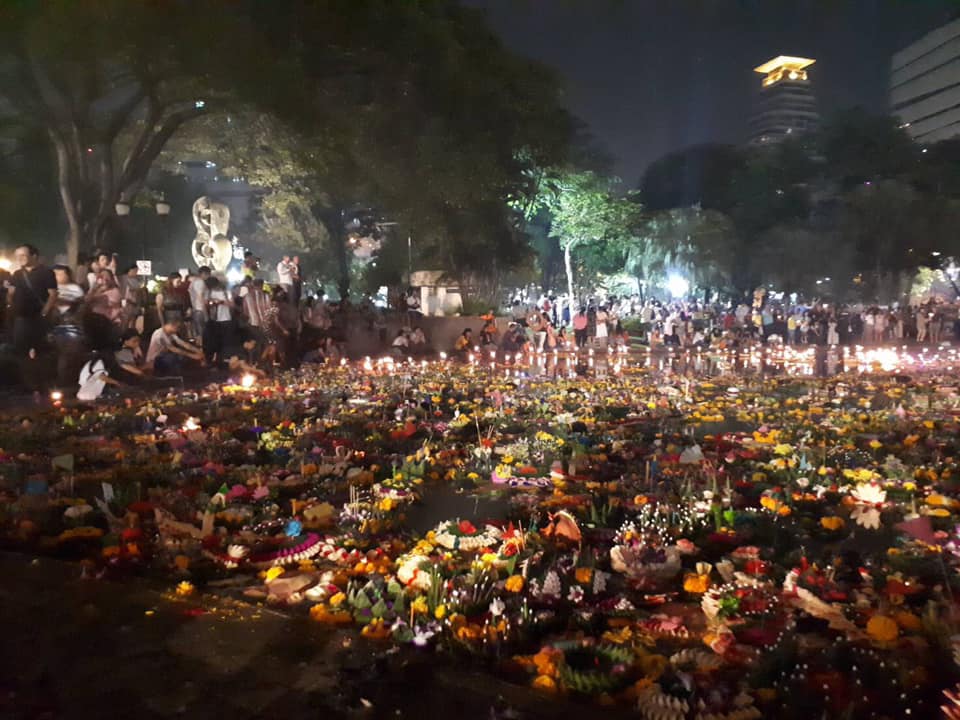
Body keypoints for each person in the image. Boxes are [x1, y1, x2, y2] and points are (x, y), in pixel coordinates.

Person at [8, 244, 58, 357]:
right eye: (17, 256)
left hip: (38, 318)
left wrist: (45, 312)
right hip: (20, 318)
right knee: (20, 349)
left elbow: (53, 294)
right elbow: (11, 292)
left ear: (34, 256)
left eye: (23, 255)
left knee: (39, 350)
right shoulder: (17, 274)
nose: (19, 258)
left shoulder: (47, 272)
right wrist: (10, 305)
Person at [203, 276, 234, 366]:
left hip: (226, 319)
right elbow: (205, 303)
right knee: (214, 341)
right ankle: (214, 359)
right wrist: (212, 302)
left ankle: (224, 359)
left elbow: (232, 304)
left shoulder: (226, 292)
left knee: (226, 340)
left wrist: (221, 302)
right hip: (214, 320)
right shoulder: (209, 293)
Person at [189, 266, 212, 339]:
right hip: (200, 310)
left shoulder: (194, 281)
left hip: (197, 309)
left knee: (199, 332)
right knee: (202, 333)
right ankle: (203, 348)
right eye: (208, 274)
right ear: (204, 274)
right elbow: (200, 297)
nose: (208, 277)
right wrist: (205, 313)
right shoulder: (200, 282)